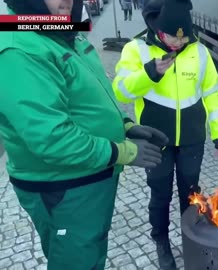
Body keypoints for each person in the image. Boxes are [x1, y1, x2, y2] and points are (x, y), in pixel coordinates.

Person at [0, 0, 169, 269]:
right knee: (78, 261)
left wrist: (125, 126)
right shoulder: (20, 47)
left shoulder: (59, 29)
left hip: (89, 178)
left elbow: (87, 98)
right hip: (65, 188)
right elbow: (53, 140)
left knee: (91, 251)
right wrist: (124, 151)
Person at [112, 0, 218, 268]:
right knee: (160, 193)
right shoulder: (137, 49)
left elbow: (213, 94)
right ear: (158, 29)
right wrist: (149, 73)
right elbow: (120, 91)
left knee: (191, 193)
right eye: (171, 38)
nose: (178, 44)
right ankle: (162, 241)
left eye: (183, 37)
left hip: (192, 139)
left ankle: (191, 238)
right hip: (156, 140)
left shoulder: (199, 52)